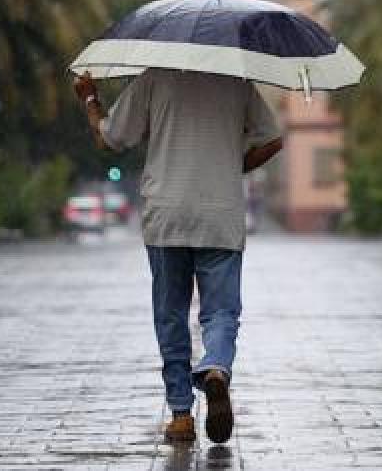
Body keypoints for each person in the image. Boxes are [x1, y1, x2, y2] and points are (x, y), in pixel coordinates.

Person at [73, 68, 282, 444]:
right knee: (221, 311)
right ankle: (216, 368)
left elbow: (111, 138)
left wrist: (90, 98)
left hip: (167, 215)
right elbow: (273, 140)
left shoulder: (153, 79)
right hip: (220, 214)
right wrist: (231, 167)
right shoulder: (237, 82)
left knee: (171, 314)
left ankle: (181, 415)